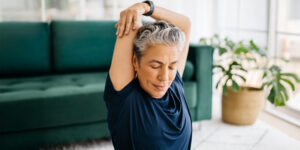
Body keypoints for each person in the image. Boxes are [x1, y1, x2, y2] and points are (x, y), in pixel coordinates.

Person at [104, 1, 192, 150]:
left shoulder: (175, 84)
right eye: (155, 66)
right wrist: (135, 11)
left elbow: (185, 25)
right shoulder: (127, 99)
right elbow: (130, 23)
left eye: (171, 66)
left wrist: (146, 7)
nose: (164, 77)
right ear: (135, 62)